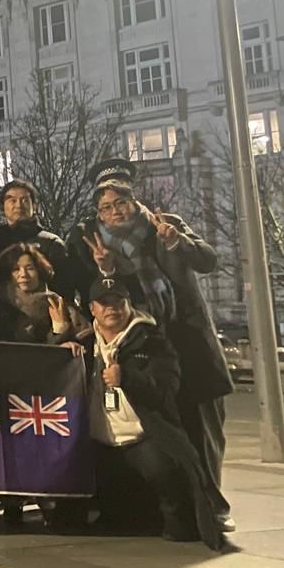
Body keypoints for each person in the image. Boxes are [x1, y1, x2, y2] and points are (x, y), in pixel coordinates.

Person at [69, 162, 235, 531]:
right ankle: (165, 512)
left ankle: (212, 508)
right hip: (144, 353)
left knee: (201, 430)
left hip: (188, 344)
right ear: (98, 212)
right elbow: (104, 296)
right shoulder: (92, 244)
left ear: (134, 200)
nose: (115, 212)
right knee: (155, 436)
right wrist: (106, 270)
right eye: (106, 206)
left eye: (121, 202)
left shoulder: (164, 225)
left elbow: (207, 259)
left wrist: (176, 241)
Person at [73, 277, 224, 549]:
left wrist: (127, 378)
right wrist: (62, 342)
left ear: (129, 305)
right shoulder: (84, 343)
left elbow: (166, 389)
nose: (112, 308)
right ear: (92, 309)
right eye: (104, 303)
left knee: (165, 474)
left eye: (119, 302)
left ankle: (178, 524)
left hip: (142, 438)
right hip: (100, 443)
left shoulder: (152, 342)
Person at [0, 241, 87, 526]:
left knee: (44, 446)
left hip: (47, 392)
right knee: (11, 447)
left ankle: (48, 499)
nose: (23, 274)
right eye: (16, 269)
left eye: (29, 268)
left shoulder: (57, 303)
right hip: (8, 387)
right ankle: (12, 501)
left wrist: (62, 332)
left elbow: (80, 338)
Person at [0, 179, 77, 304]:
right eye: (12, 200)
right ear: (3, 206)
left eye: (24, 200)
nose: (18, 205)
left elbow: (64, 290)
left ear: (34, 206)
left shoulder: (51, 243)